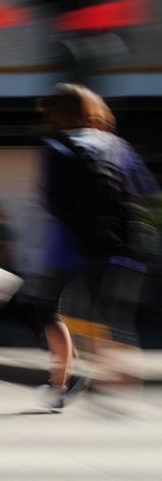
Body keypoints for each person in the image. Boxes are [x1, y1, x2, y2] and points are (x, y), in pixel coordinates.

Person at [37, 83, 157, 411]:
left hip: (68, 245)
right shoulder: (119, 146)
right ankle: (118, 380)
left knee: (49, 311)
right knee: (108, 315)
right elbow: (145, 192)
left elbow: (52, 202)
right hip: (118, 246)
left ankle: (59, 380)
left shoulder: (57, 145)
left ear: (58, 114)